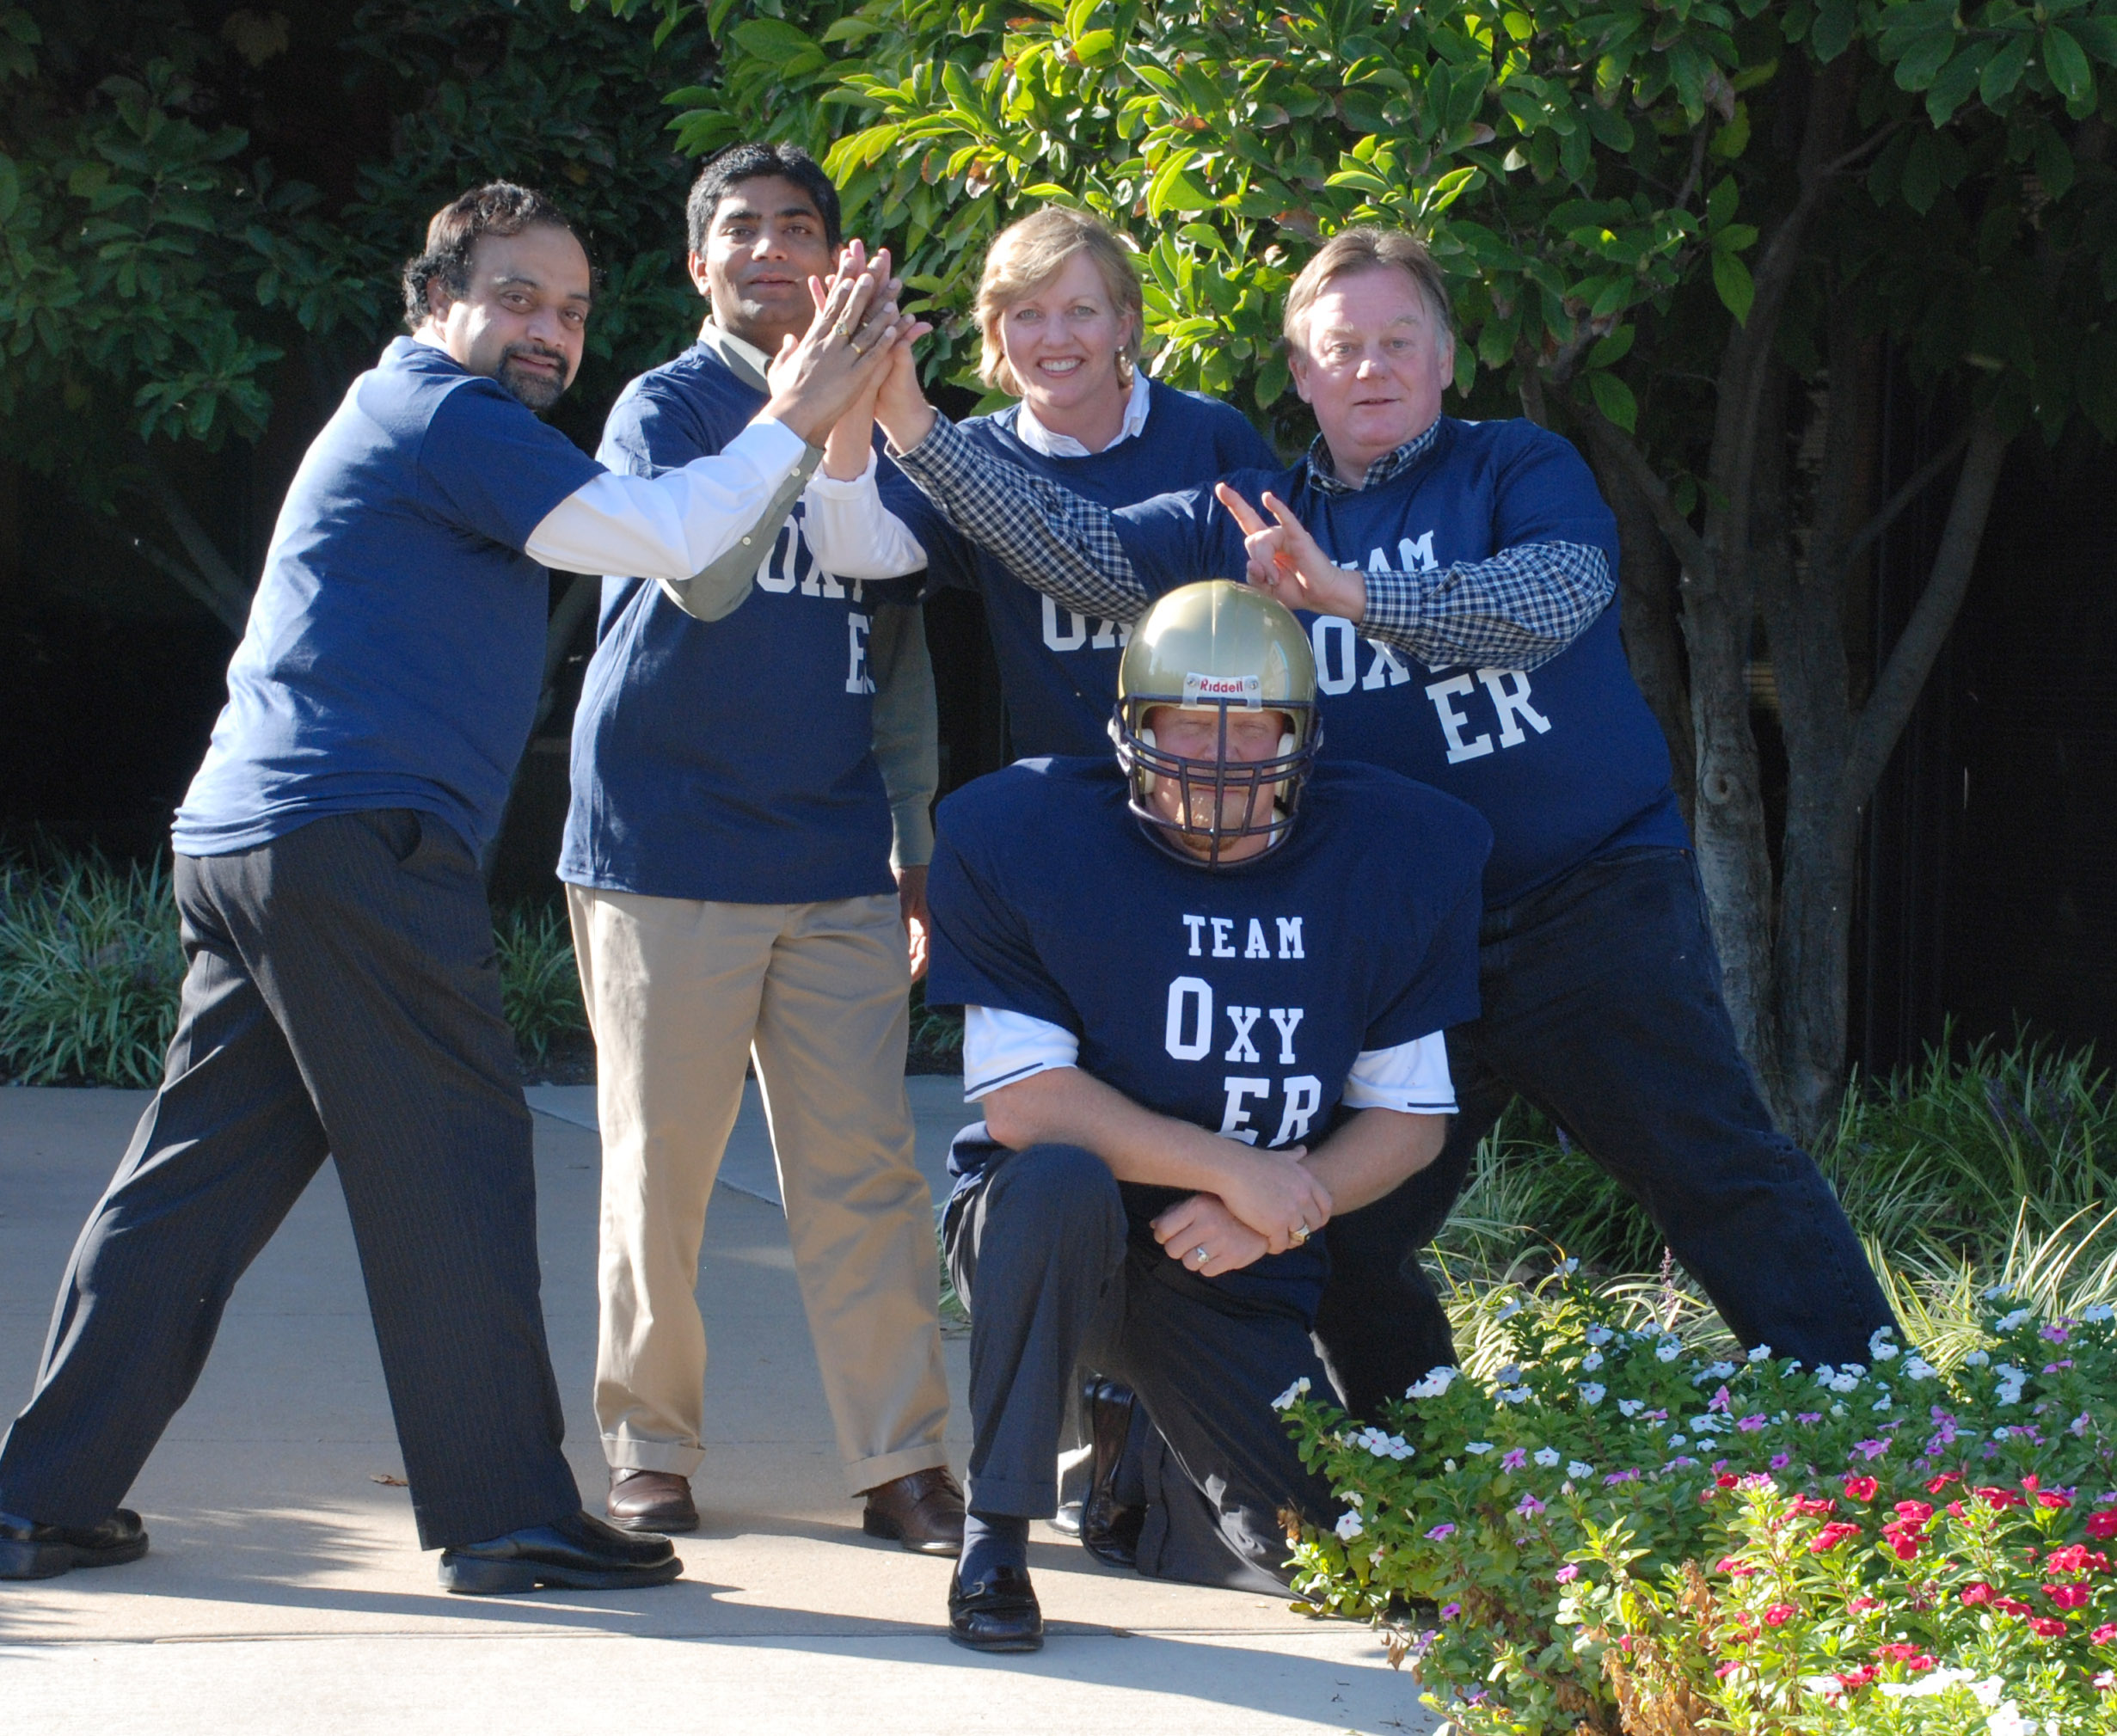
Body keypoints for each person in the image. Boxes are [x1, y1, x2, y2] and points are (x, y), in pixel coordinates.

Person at [0, 181, 904, 1595]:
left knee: (192, 1188)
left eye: (575, 309)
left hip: (251, 839)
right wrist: (801, 404)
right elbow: (663, 536)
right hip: (354, 843)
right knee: (458, 1167)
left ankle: (46, 1498)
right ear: (434, 302)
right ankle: (505, 1514)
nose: (550, 330)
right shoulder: (441, 412)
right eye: (518, 298)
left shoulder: (433, 423)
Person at [870, 224, 1896, 1426]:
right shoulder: (1248, 513)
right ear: (1297, 373)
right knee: (1336, 1218)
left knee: (1712, 1167)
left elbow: (1551, 598)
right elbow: (1084, 558)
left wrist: (1347, 594)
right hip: (1400, 937)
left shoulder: (1518, 466)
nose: (1371, 367)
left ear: (1445, 357)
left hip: (1586, 899)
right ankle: (1415, 1465)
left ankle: (1883, 1431)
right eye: (1339, 346)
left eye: (1397, 341)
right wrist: (912, 427)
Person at [929, 580, 1488, 1651]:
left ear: (1299, 735)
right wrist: (1240, 1167)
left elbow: (1406, 1121)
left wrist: (1276, 1210)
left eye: (1250, 728)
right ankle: (994, 1533)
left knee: (1346, 1563)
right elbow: (1023, 1104)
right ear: (1133, 729)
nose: (1217, 758)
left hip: (1230, 1262)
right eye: (1187, 724)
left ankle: (1143, 1482)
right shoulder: (1026, 830)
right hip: (1058, 1240)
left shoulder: (1392, 853)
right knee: (1054, 1181)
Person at [560, 144, 962, 1551]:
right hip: (664, 842)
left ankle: (903, 1460)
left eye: (802, 227)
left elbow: (901, 654)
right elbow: (708, 574)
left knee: (865, 1171)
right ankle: (649, 1447)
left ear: (840, 258)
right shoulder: (663, 405)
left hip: (836, 849)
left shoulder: (900, 420)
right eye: (744, 230)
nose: (773, 249)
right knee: (661, 1168)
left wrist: (915, 845)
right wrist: (805, 418)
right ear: (700, 264)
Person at [804, 205, 1276, 760]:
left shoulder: (1209, 434)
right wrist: (855, 390)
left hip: (1219, 792)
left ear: (1125, 322)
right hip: (1065, 793)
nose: (1056, 338)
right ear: (996, 330)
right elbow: (854, 551)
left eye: (1081, 311)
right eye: (1027, 313)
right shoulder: (974, 453)